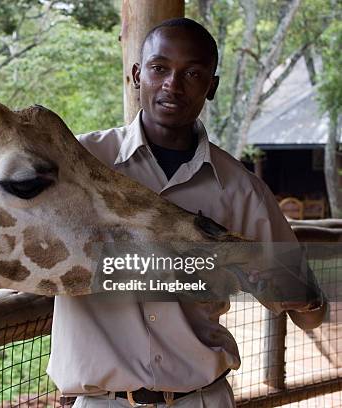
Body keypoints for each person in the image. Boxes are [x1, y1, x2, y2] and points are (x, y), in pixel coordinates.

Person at [46, 18, 326, 407]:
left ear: (210, 86)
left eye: (192, 73)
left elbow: (309, 311)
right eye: (159, 68)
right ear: (136, 74)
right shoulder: (76, 164)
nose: (172, 85)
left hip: (201, 398)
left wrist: (304, 299)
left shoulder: (241, 190)